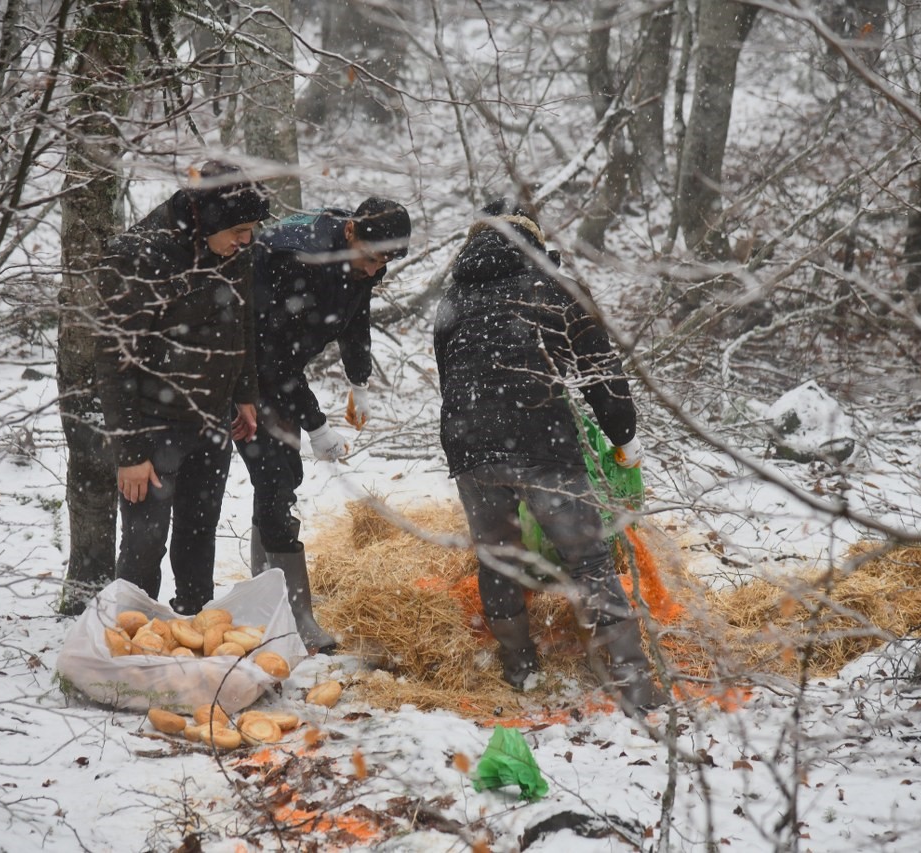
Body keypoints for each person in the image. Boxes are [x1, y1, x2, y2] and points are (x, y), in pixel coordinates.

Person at [433, 198, 666, 713]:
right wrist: (623, 437)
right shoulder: (555, 291)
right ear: (535, 244)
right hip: (540, 439)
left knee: (499, 557)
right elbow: (602, 373)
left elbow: (452, 379)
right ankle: (633, 685)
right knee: (590, 560)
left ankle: (521, 670)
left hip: (469, 441)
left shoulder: (452, 301)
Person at [94, 160, 270, 615]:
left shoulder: (235, 250)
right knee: (144, 545)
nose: (247, 240)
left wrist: (245, 391)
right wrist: (130, 452)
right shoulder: (139, 255)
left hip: (212, 417)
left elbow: (242, 320)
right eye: (239, 229)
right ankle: (129, 635)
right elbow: (113, 361)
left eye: (251, 229)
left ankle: (194, 623)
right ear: (207, 219)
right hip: (153, 422)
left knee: (198, 534)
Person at [238, 197, 412, 653]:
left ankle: (267, 595)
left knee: (279, 479)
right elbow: (273, 356)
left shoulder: (359, 262)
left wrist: (360, 381)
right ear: (351, 231)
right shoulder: (294, 258)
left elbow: (356, 317)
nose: (375, 271)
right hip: (241, 366)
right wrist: (316, 424)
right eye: (372, 259)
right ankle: (295, 617)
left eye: (384, 264)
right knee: (275, 477)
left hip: (279, 369)